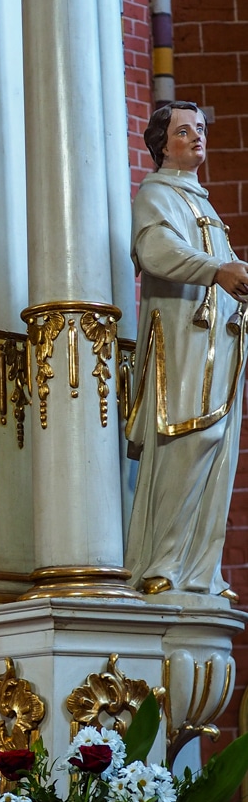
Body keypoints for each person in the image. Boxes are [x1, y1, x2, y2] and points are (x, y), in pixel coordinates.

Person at [125, 102, 248, 597]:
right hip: (182, 343)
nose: (197, 137)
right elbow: (156, 252)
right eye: (183, 131)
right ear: (161, 145)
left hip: (221, 344)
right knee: (189, 439)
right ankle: (162, 562)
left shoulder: (203, 203)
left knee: (218, 448)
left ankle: (201, 572)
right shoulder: (156, 194)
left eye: (200, 129)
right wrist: (217, 270)